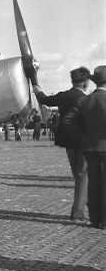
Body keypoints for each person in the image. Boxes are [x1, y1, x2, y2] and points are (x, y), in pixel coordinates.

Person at [33, 66, 91, 222]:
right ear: (86, 83)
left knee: (78, 174)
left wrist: (36, 87)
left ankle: (87, 206)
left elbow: (44, 99)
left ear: (72, 81)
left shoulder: (63, 96)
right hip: (83, 141)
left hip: (67, 140)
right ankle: (79, 212)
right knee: (83, 175)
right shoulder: (85, 99)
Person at [68, 65, 106, 229]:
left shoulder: (84, 100)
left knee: (93, 183)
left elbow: (69, 122)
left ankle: (95, 219)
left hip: (89, 147)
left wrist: (83, 137)